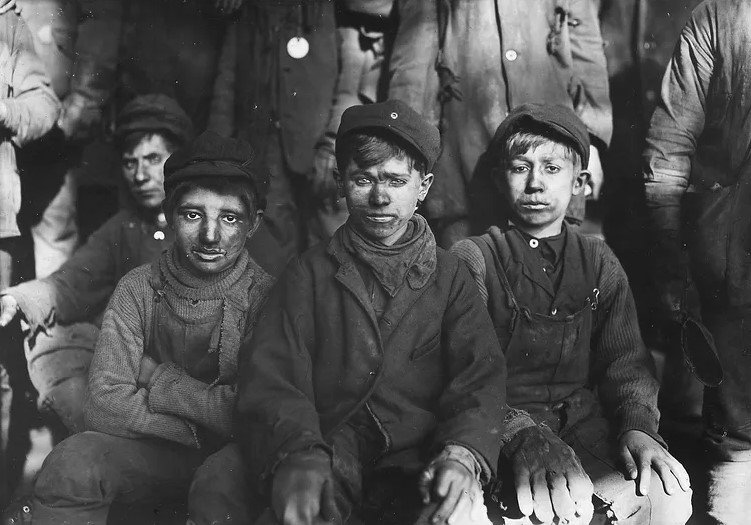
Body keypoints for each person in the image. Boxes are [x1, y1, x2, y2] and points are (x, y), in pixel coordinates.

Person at [235, 100, 507, 525]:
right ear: (340, 183)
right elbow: (274, 376)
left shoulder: (451, 275)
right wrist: (299, 452)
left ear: (423, 187)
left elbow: (479, 379)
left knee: (456, 514)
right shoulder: (308, 273)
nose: (380, 197)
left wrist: (462, 454)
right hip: (331, 447)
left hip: (422, 454)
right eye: (363, 179)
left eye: (396, 180)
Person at [451, 104, 692, 524]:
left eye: (552, 168)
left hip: (582, 423)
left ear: (579, 182)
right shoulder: (474, 258)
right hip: (500, 428)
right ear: (498, 178)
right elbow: (465, 375)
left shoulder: (598, 259)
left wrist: (637, 426)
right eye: (520, 168)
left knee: (664, 497)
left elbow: (626, 363)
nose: (535, 183)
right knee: (536, 511)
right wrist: (517, 434)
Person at [26, 131, 275, 525]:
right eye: (192, 215)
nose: (210, 236)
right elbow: (104, 406)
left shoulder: (265, 297)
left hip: (232, 461)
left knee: (218, 488)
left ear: (253, 224)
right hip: (156, 453)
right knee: (73, 462)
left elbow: (252, 414)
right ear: (170, 213)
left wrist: (157, 378)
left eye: (229, 218)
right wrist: (198, 428)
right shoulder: (138, 288)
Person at [642, 1, 751, 522]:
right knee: (739, 445)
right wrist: (671, 247)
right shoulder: (721, 16)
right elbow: (669, 144)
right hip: (734, 255)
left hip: (729, 255)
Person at [388, 0, 612, 247]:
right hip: (464, 161)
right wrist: (409, 148)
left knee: (553, 260)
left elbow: (585, 47)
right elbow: (415, 63)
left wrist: (592, 141)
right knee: (468, 259)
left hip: (555, 147)